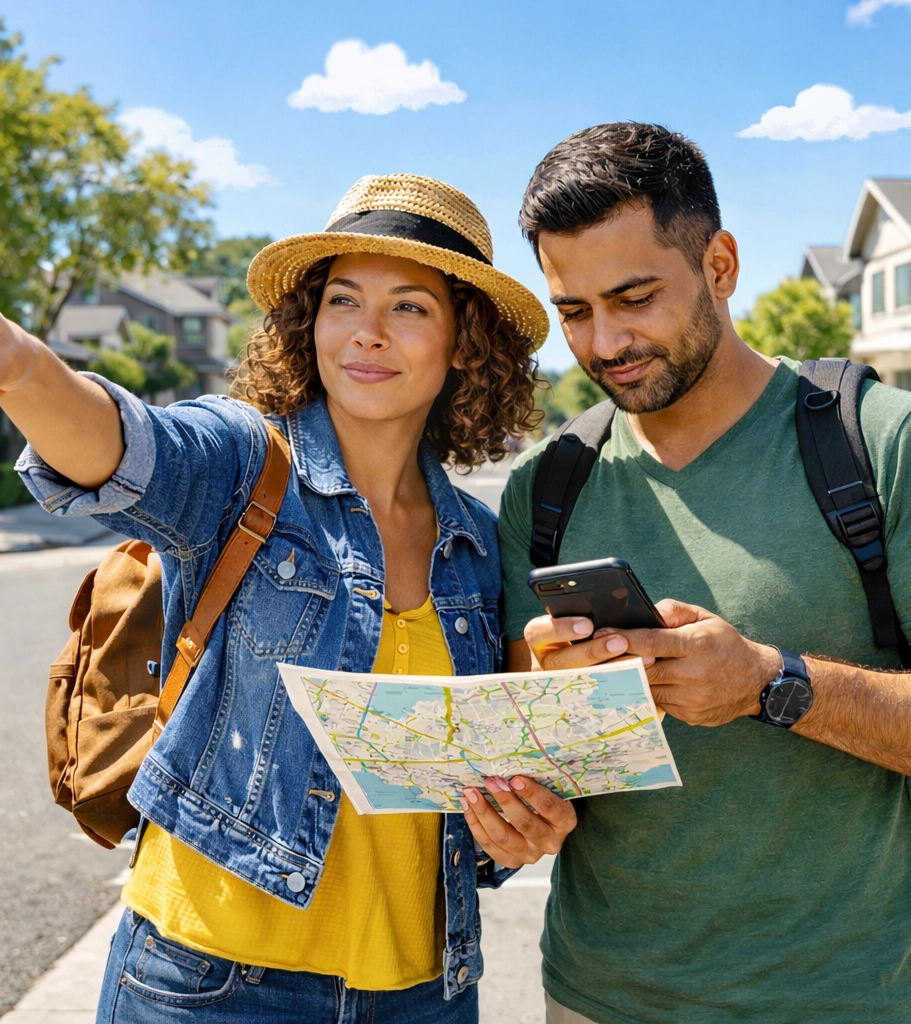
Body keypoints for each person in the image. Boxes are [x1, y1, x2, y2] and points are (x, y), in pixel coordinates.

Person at [1, 174, 577, 1024]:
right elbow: (124, 444)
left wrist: (519, 828)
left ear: (465, 341)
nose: (367, 333)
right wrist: (19, 368)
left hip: (426, 992)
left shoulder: (479, 545)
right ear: (310, 323)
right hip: (208, 987)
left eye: (410, 307)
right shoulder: (240, 465)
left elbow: (482, 784)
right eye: (343, 300)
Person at [498, 123, 911, 1024]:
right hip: (596, 999)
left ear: (721, 264)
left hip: (853, 1002)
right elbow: (530, 757)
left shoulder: (886, 444)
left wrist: (771, 684)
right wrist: (534, 760)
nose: (606, 340)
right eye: (575, 311)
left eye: (635, 296)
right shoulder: (544, 489)